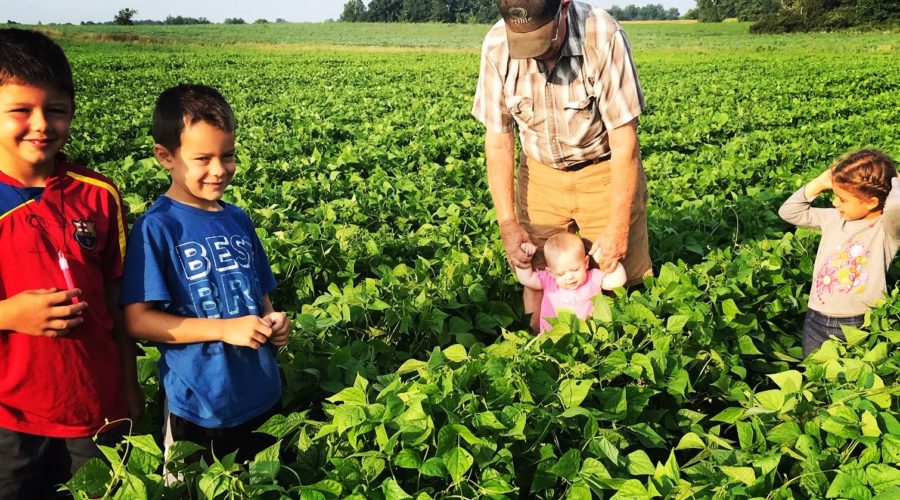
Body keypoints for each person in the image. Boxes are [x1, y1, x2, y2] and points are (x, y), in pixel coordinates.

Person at [0, 28, 142, 497]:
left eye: (55, 110)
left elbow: (118, 298)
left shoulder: (98, 194)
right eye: (20, 110)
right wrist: (10, 314)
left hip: (95, 407)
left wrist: (129, 387)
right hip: (9, 415)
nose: (41, 124)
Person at [120, 84, 290, 463]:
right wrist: (224, 329)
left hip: (260, 391)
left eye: (227, 156)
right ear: (166, 157)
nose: (219, 170)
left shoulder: (238, 219)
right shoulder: (157, 227)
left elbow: (261, 296)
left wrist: (274, 322)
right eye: (202, 158)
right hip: (198, 404)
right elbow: (137, 320)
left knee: (263, 485)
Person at [472, 0, 652, 331]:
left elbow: (624, 141)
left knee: (617, 274)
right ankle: (536, 348)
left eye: (544, 38)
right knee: (538, 273)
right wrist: (508, 223)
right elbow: (498, 140)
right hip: (541, 174)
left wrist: (618, 226)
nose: (537, 54)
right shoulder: (497, 47)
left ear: (564, 7)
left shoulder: (602, 36)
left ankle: (609, 362)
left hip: (602, 169)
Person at [778, 149, 900, 357]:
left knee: (855, 380)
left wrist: (895, 180)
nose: (835, 203)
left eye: (842, 199)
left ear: (872, 202)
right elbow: (789, 212)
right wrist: (820, 182)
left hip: (861, 322)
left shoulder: (886, 228)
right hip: (816, 319)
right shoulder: (833, 219)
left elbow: (896, 207)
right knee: (817, 377)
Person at [514, 233, 626, 332]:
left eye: (575, 269)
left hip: (586, 336)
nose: (569, 277)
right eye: (561, 274)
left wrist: (609, 260)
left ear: (586, 262)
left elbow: (618, 282)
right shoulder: (550, 280)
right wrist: (525, 258)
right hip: (552, 337)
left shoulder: (592, 278)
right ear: (551, 272)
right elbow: (526, 279)